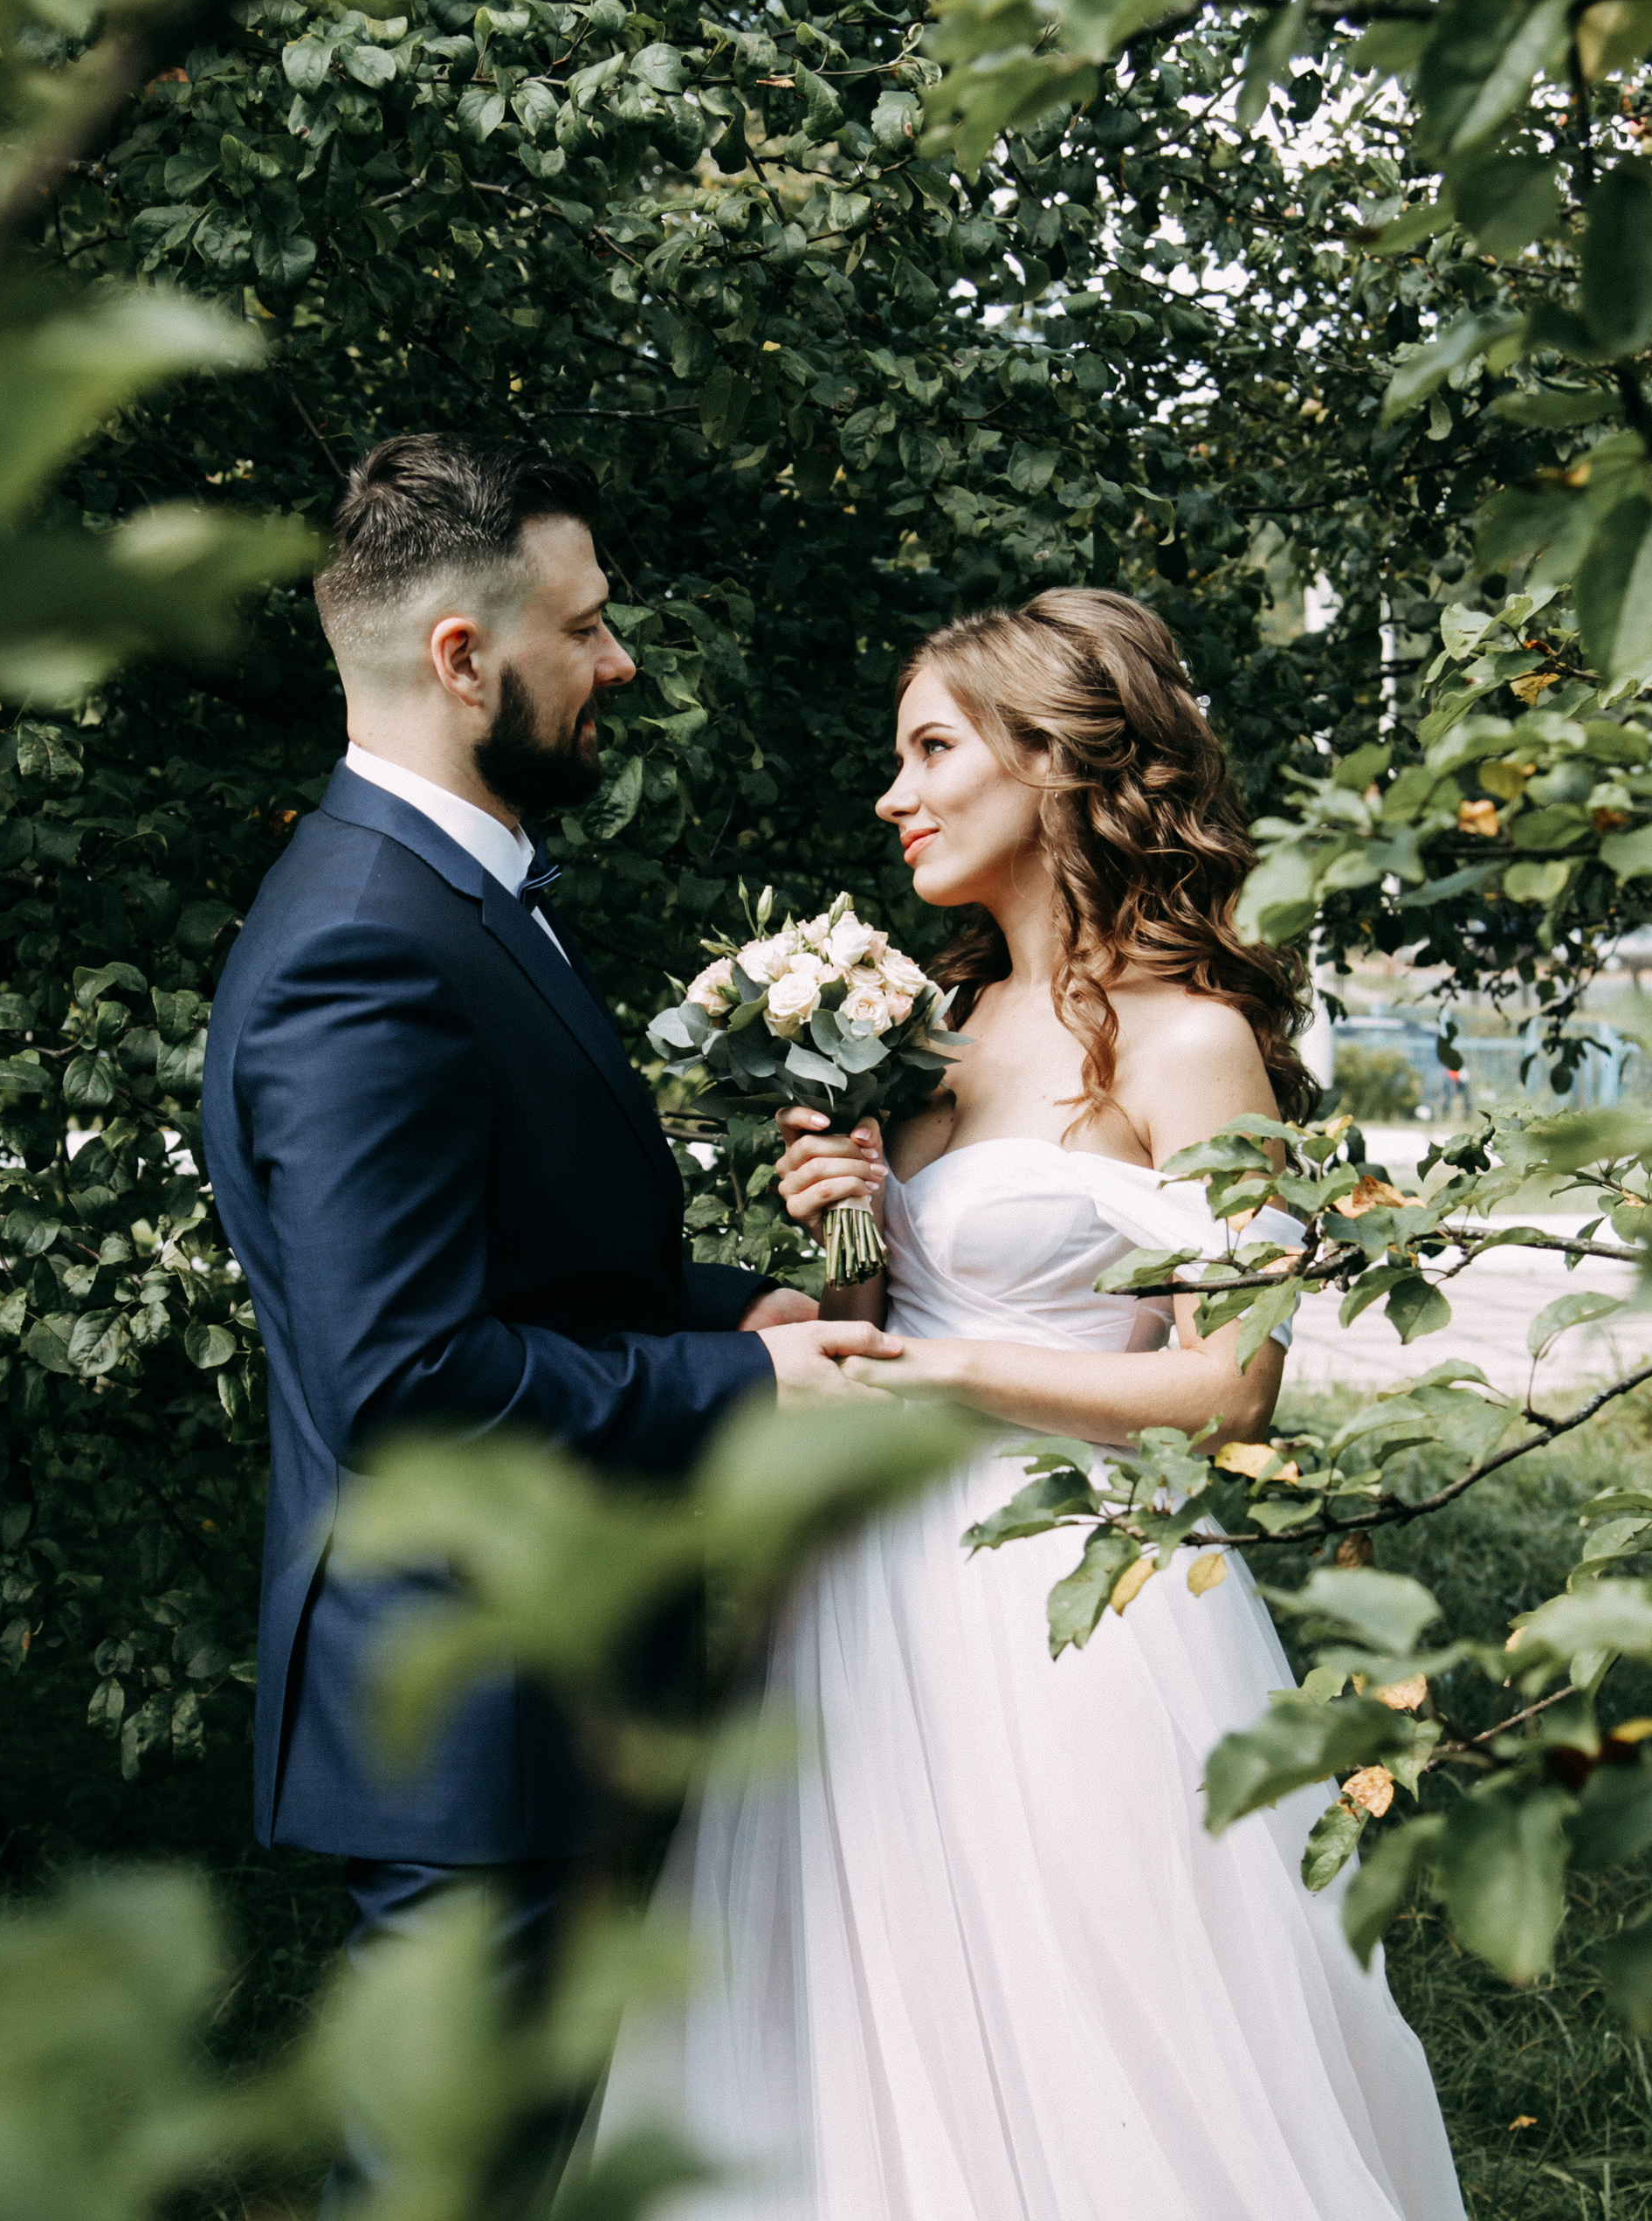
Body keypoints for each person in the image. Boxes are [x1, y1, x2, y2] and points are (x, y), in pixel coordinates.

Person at [597, 590, 1467, 2219]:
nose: (893, 795)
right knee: (844, 2007)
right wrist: (844, 1216)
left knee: (1094, 2025)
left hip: (1068, 1602)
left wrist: (957, 1371)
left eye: (932, 749)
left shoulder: (1195, 1042)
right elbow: (876, 1314)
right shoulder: (927, 1031)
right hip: (850, 1586)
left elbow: (1230, 1382)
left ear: (1057, 768)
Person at [199, 434, 900, 2114]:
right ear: (464, 657)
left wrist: (726, 1304)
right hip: (473, 1714)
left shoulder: (452, 897)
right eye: (582, 628)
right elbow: (404, 1382)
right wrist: (744, 1384)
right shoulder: (368, 943)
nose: (618, 660)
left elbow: (523, 1272)